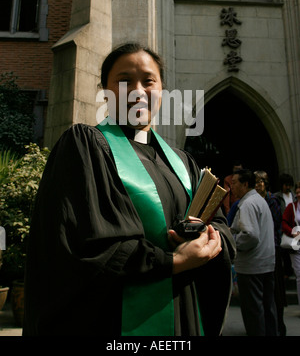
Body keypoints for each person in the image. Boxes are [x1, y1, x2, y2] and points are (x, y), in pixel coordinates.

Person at [23, 42, 235, 337]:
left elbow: (221, 224)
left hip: (185, 311)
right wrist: (173, 261)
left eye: (148, 81)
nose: (138, 90)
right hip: (117, 319)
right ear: (106, 92)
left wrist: (210, 240)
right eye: (124, 81)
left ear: (161, 90)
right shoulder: (87, 147)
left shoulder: (183, 162)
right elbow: (83, 243)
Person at [230, 169, 278, 336]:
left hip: (252, 267)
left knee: (254, 312)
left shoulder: (248, 204)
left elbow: (250, 235)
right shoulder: (258, 200)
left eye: (234, 183)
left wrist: (232, 241)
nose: (231, 187)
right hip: (265, 264)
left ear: (245, 184)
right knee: (267, 310)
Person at [254, 170, 287, 336]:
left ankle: (278, 326)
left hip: (272, 249)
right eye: (256, 181)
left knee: (275, 292)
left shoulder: (272, 200)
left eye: (261, 181)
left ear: (266, 183)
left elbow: (275, 225)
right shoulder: (253, 201)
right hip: (260, 249)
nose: (258, 184)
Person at [282, 181, 300, 308]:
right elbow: (284, 223)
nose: (298, 194)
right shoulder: (291, 207)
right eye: (297, 192)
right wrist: (292, 232)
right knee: (299, 275)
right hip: (296, 243)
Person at [274, 173, 295, 278]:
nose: (287, 187)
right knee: (285, 249)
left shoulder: (294, 195)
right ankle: (287, 270)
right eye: (285, 185)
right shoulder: (277, 196)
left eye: (289, 185)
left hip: (294, 225)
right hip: (283, 225)